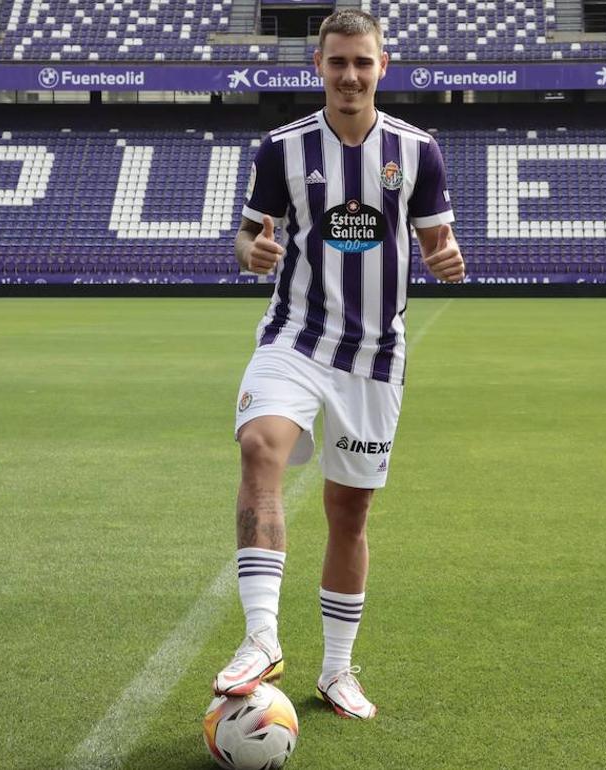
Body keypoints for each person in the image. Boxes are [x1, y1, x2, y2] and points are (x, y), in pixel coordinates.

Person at [212, 8, 465, 720]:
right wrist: (252, 253)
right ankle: (261, 636)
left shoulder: (418, 151)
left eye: (362, 62)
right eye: (337, 62)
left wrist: (447, 260)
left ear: (382, 67)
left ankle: (335, 671)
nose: (350, 75)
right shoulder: (281, 149)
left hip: (375, 355)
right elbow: (246, 237)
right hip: (294, 337)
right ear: (317, 67)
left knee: (348, 513)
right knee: (260, 446)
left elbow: (439, 244)